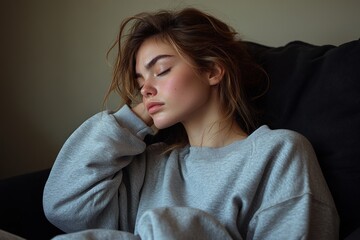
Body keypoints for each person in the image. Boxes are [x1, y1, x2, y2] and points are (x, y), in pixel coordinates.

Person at [42, 7, 339, 239]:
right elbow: (63, 207)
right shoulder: (151, 164)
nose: (145, 89)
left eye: (161, 70)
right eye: (140, 80)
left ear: (211, 71)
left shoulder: (278, 152)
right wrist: (131, 119)